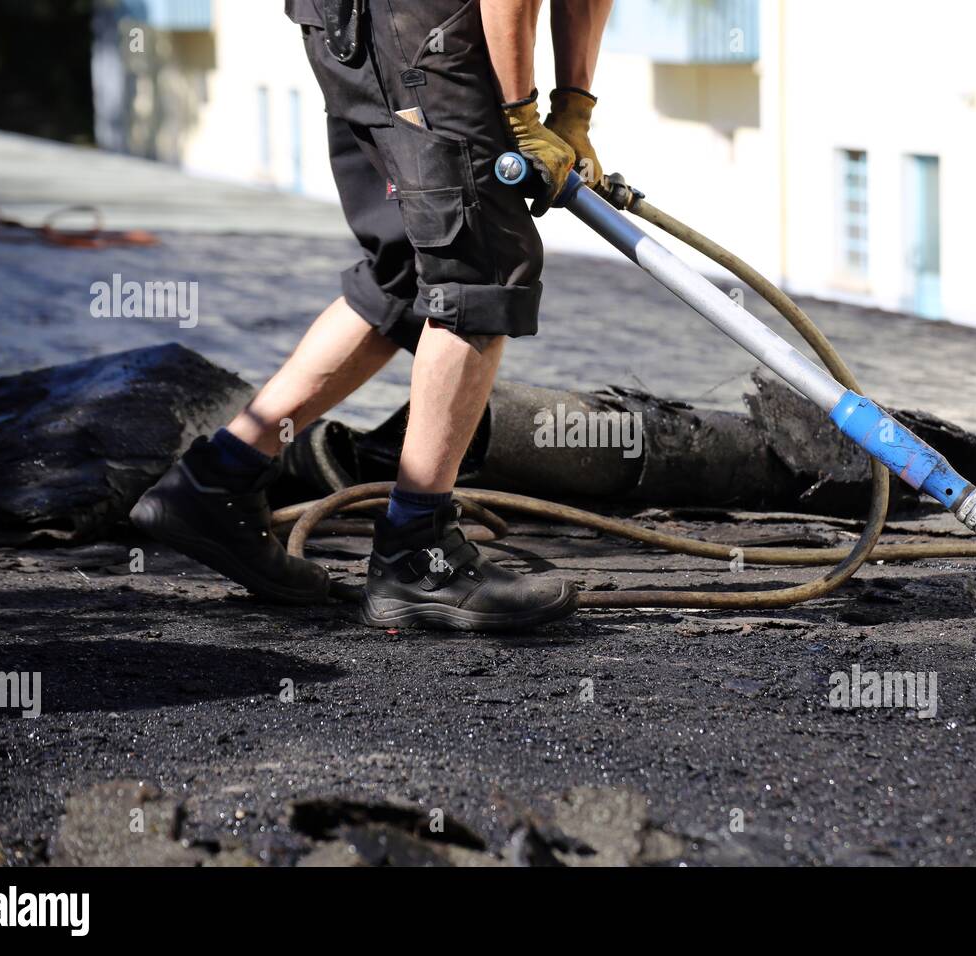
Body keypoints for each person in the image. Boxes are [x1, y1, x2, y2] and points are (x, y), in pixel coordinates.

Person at [130, 0, 614, 630]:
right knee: (482, 270)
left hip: (359, 27)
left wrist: (573, 109)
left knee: (406, 273)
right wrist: (522, 118)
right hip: (416, 29)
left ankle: (215, 484)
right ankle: (418, 555)